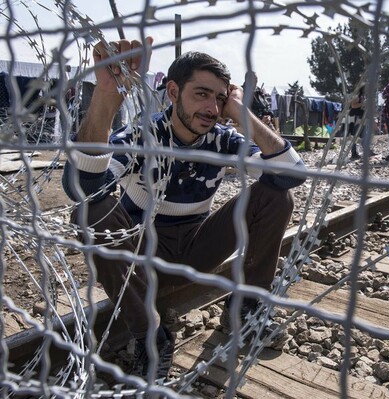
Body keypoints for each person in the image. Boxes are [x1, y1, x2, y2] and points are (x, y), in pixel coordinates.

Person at [61, 37, 306, 381]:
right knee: (90, 211)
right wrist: (106, 98)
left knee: (276, 196)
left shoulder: (222, 139)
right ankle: (151, 336)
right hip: (143, 256)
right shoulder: (143, 135)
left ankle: (246, 310)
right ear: (173, 92)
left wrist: (239, 111)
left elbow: (292, 175)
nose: (211, 107)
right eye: (201, 94)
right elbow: (82, 188)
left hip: (195, 249)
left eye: (219, 98)